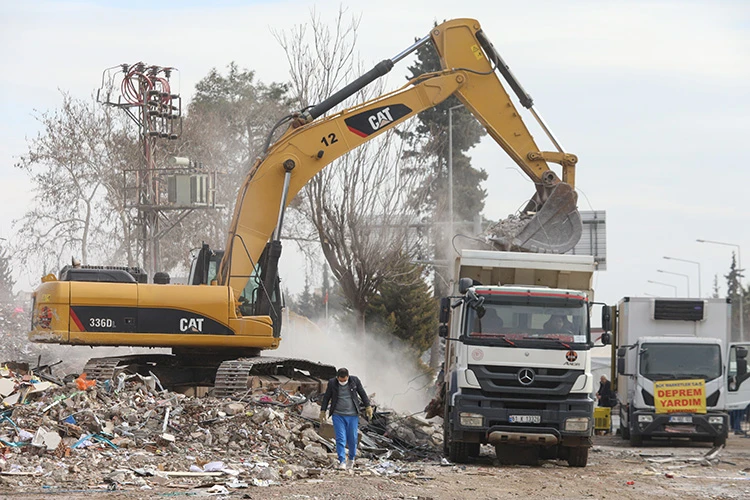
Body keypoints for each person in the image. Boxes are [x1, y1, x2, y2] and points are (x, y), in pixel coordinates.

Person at [319, 367, 373, 470]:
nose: (342, 382)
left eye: (344, 380)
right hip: (338, 415)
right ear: (337, 377)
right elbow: (327, 397)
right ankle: (342, 461)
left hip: (352, 415)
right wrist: (323, 411)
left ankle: (351, 459)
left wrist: (368, 406)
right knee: (340, 438)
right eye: (340, 380)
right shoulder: (332, 383)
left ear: (348, 377)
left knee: (352, 438)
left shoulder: (354, 381)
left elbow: (362, 394)